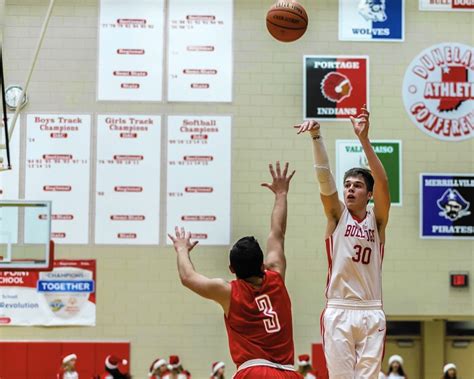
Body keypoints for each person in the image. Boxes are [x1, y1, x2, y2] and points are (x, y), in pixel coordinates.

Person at [169, 161, 301, 379]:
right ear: (262, 265)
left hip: (253, 371)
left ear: (231, 269)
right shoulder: (276, 274)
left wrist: (182, 249)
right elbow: (277, 232)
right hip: (288, 372)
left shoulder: (229, 291)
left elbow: (188, 277)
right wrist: (281, 194)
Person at [295, 105, 390, 379]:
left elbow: (383, 182)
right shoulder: (337, 216)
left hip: (372, 309)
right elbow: (325, 180)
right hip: (339, 308)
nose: (349, 188)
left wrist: (364, 140)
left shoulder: (378, 220)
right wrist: (316, 137)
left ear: (368, 194)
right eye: (347, 184)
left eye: (357, 185)